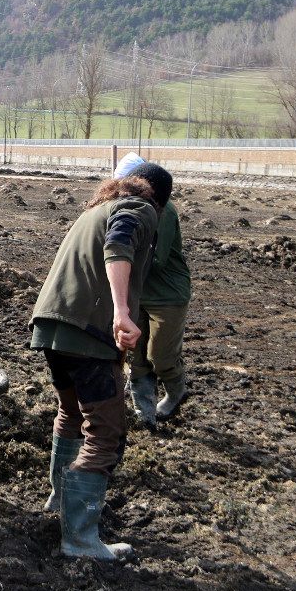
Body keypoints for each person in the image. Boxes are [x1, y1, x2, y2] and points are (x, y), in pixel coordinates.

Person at [29, 163, 171, 560]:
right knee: (105, 434)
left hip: (52, 326)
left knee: (70, 412)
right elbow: (119, 243)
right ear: (160, 199)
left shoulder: (95, 208)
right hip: (88, 333)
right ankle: (79, 540)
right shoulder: (138, 209)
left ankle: (60, 503)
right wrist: (122, 311)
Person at [112, 158, 191, 430]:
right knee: (138, 357)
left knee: (160, 356)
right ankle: (144, 412)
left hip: (166, 294)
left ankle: (176, 393)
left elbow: (155, 257)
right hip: (139, 292)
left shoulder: (163, 211)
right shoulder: (129, 207)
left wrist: (118, 260)